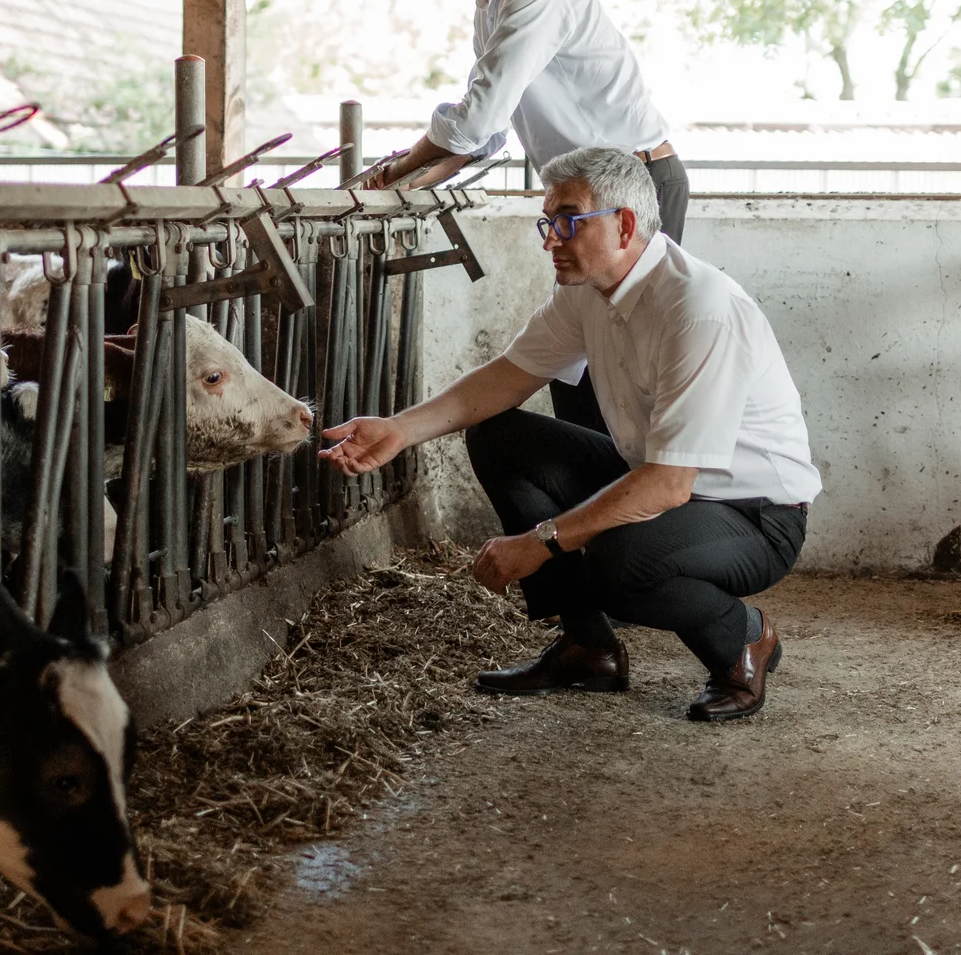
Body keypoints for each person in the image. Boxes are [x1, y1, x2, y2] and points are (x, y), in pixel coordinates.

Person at [323, 147, 818, 721]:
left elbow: (669, 484)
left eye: (567, 221)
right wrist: (399, 429)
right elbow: (508, 376)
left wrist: (540, 542)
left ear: (624, 225)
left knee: (618, 560)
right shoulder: (587, 289)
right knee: (499, 437)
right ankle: (589, 648)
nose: (550, 241)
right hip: (657, 479)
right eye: (547, 222)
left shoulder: (699, 309)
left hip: (753, 513)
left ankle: (743, 641)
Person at [374, 0, 690, 435]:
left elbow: (476, 118)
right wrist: (413, 180)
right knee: (579, 351)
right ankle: (595, 484)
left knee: (620, 355)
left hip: (635, 186)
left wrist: (397, 169)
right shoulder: (490, 1)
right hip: (585, 195)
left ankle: (632, 481)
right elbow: (489, 130)